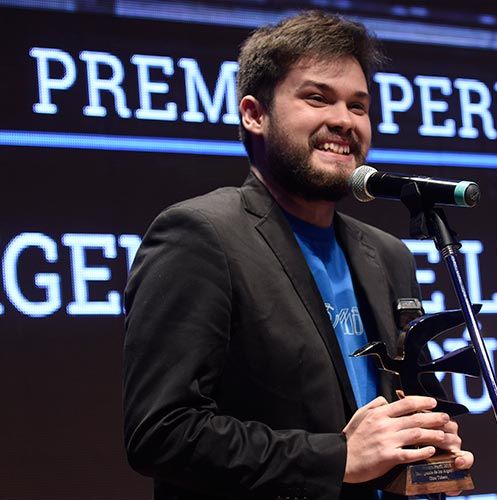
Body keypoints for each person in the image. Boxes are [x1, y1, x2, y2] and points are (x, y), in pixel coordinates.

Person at [122, 10, 473, 500]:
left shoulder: (389, 254)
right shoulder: (200, 236)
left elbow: (403, 406)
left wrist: (427, 444)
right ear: (254, 114)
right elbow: (162, 433)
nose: (343, 121)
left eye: (358, 106)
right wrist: (338, 458)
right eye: (317, 98)